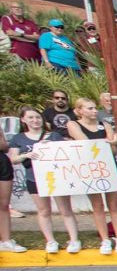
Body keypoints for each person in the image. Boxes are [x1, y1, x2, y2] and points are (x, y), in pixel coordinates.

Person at [8, 106, 82, 253]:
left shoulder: (53, 135)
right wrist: (26, 155)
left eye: (37, 117)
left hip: (56, 178)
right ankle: (50, 241)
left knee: (65, 210)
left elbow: (66, 153)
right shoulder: (19, 138)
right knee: (43, 210)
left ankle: (74, 239)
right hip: (34, 179)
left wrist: (50, 146)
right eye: (30, 117)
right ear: (23, 120)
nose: (35, 120)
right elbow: (13, 158)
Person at [66, 98, 117, 255]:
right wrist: (109, 141)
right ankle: (105, 239)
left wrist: (113, 143)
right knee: (97, 206)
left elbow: (114, 151)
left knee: (113, 205)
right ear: (79, 110)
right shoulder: (74, 125)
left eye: (94, 108)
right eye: (89, 108)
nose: (94, 111)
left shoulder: (104, 125)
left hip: (108, 166)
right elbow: (86, 143)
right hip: (89, 168)